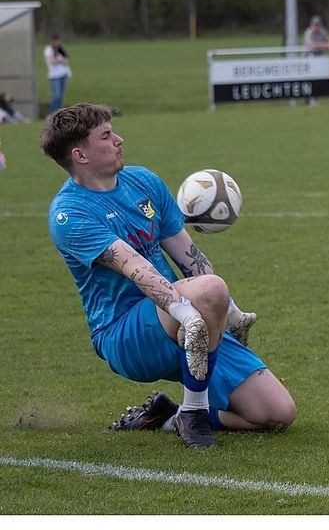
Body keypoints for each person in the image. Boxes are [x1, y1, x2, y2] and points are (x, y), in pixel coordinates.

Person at [41, 104, 296, 448]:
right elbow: (136, 268)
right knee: (209, 290)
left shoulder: (143, 181)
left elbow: (191, 259)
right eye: (106, 136)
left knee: (277, 413)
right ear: (80, 154)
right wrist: (190, 314)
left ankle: (168, 417)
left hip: (180, 312)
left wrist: (228, 311)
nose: (118, 139)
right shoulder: (69, 214)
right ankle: (194, 414)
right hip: (124, 333)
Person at [303, 14, 329, 106]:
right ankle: (308, 98)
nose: (316, 26)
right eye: (314, 24)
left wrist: (319, 45)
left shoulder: (324, 32)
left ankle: (314, 98)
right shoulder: (308, 32)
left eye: (318, 24)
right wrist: (322, 45)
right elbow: (310, 45)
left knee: (318, 80)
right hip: (309, 58)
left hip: (319, 58)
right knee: (309, 80)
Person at [44, 33, 71, 117]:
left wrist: (61, 61)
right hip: (54, 76)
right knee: (57, 96)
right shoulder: (49, 49)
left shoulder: (60, 49)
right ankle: (50, 113)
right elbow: (52, 61)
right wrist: (62, 61)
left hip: (63, 74)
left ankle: (59, 114)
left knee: (61, 97)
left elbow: (67, 59)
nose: (57, 43)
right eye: (56, 41)